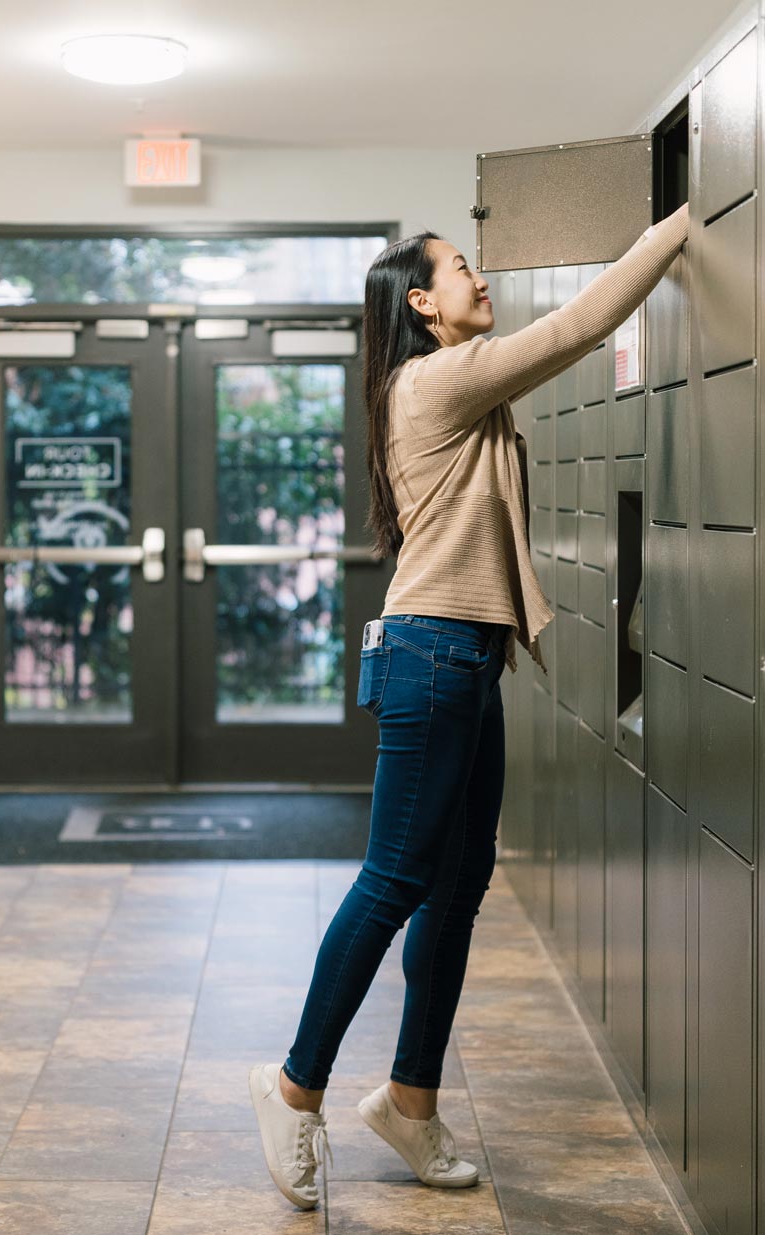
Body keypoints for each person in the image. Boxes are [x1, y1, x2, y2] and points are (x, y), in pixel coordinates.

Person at [248, 203, 692, 1211]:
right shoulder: (435, 379)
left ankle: (410, 1099)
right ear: (421, 303)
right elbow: (576, 329)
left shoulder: (445, 387)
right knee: (394, 879)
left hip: (464, 658)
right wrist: (673, 230)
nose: (481, 282)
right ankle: (291, 1089)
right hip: (432, 657)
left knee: (457, 885)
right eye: (462, 271)